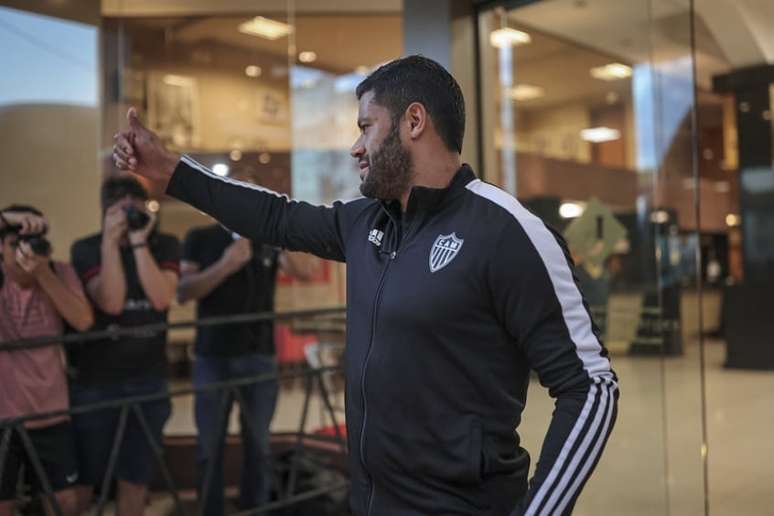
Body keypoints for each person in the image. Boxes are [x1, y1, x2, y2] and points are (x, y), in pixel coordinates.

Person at [113, 55, 620, 516]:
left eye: (365, 127)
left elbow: (591, 386)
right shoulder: (366, 224)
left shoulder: (507, 231)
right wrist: (170, 172)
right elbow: (276, 217)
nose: (356, 147)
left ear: (414, 121)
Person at [177, 169, 313, 515]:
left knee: (260, 446)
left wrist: (278, 230)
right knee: (209, 446)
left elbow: (304, 271)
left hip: (259, 356)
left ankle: (257, 508)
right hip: (213, 357)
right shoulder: (200, 237)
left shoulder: (265, 241)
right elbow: (183, 291)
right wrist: (225, 265)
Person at [68, 176, 180, 516]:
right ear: (105, 211)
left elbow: (161, 299)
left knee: (136, 477)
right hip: (96, 381)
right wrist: (110, 243)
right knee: (85, 478)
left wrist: (138, 243)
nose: (131, 215)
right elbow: (111, 302)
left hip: (148, 380)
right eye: (121, 209)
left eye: (137, 207)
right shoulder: (86, 248)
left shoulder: (164, 244)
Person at [0, 206, 93, 516]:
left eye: (33, 241)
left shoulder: (59, 271)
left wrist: (42, 272)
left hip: (52, 413)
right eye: (16, 241)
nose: (26, 250)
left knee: (66, 502)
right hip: (4, 417)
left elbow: (82, 321)